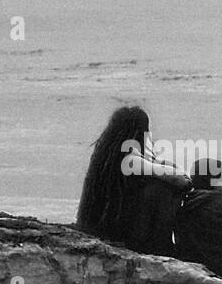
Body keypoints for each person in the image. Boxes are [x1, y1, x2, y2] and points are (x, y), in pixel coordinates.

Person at [76, 106, 192, 256]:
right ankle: (159, 246)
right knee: (161, 188)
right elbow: (179, 180)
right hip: (122, 233)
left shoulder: (109, 157)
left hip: (104, 224)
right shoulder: (130, 159)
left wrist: (164, 165)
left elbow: (158, 166)